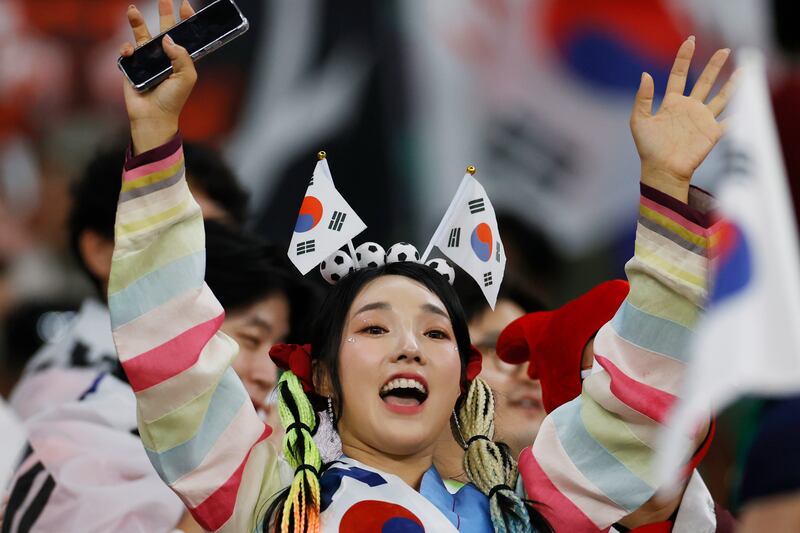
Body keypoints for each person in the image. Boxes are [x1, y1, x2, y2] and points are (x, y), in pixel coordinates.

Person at [113, 1, 735, 530]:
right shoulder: (267, 495)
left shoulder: (529, 511)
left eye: (435, 333)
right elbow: (171, 355)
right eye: (375, 328)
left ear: (466, 383)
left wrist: (665, 189)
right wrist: (156, 138)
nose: (409, 348)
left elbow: (639, 403)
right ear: (322, 376)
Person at [1, 220, 314, 533]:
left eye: (277, 351)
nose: (267, 373)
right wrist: (244, 475)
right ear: (178, 325)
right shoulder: (77, 437)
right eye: (251, 339)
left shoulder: (273, 448)